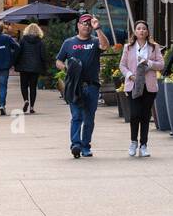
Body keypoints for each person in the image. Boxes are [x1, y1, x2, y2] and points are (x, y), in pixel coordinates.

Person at [55, 12, 109, 159]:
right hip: (74, 86)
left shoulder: (95, 41)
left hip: (92, 86)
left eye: (89, 24)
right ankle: (76, 145)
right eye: (84, 23)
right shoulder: (69, 43)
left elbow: (105, 46)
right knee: (77, 116)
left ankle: (86, 146)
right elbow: (58, 61)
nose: (86, 26)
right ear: (78, 25)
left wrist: (98, 28)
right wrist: (66, 68)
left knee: (89, 119)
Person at [119, 20, 164, 158]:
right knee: (134, 115)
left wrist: (148, 63)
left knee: (145, 116)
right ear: (135, 32)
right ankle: (133, 142)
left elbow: (161, 65)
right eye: (139, 28)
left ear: (147, 31)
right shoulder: (128, 47)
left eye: (144, 29)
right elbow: (122, 65)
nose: (141, 31)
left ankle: (143, 145)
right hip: (133, 85)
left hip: (149, 86)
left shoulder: (153, 47)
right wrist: (129, 75)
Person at [14, 22, 45, 114]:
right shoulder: (40, 41)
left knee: (24, 85)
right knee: (33, 87)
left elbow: (18, 52)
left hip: (24, 66)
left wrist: (15, 63)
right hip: (35, 67)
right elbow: (43, 55)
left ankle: (26, 100)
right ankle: (32, 107)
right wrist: (44, 66)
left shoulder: (23, 40)